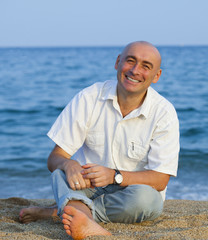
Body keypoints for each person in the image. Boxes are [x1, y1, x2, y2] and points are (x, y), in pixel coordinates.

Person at [19, 41, 180, 240]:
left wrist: (114, 176)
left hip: (130, 194)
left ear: (156, 76)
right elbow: (55, 158)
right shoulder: (88, 97)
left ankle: (64, 211)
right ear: (118, 62)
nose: (135, 70)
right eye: (130, 61)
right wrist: (68, 164)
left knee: (148, 201)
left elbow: (160, 179)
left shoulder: (164, 113)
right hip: (85, 187)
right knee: (60, 174)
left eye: (146, 66)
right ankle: (80, 216)